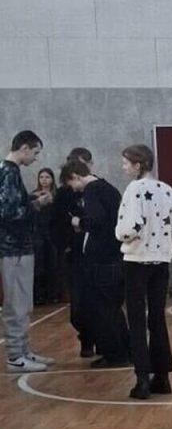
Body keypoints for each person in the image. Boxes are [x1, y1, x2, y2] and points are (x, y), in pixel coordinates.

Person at [115, 144, 172, 399]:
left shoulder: (134, 190)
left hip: (137, 259)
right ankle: (162, 376)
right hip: (161, 259)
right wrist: (166, 246)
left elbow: (130, 226)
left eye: (126, 163)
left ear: (138, 164)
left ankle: (142, 378)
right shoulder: (167, 189)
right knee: (157, 317)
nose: (123, 167)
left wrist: (120, 235)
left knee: (136, 319)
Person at [61, 158, 131, 367]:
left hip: (102, 258)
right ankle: (124, 351)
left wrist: (79, 222)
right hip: (113, 255)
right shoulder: (108, 187)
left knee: (103, 309)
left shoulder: (92, 190)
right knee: (113, 308)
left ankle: (114, 354)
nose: (74, 189)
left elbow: (97, 221)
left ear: (75, 176)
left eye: (71, 184)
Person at [2, 130, 55, 373]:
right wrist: (37, 204)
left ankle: (23, 350)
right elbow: (10, 213)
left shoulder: (10, 172)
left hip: (18, 247)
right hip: (13, 248)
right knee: (17, 303)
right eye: (35, 152)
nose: (35, 158)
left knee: (23, 302)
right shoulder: (9, 172)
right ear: (24, 148)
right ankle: (15, 355)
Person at [53, 149, 95, 355]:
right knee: (78, 303)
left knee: (98, 300)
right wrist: (65, 244)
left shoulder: (96, 189)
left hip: (96, 253)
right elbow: (57, 223)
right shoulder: (64, 193)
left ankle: (103, 340)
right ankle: (86, 338)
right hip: (74, 252)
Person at [32, 167, 60, 305]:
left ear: (52, 179)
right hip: (38, 234)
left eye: (47, 177)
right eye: (41, 177)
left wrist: (52, 201)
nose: (44, 180)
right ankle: (38, 295)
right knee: (39, 265)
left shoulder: (58, 196)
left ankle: (52, 294)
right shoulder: (33, 196)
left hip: (53, 234)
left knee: (53, 265)